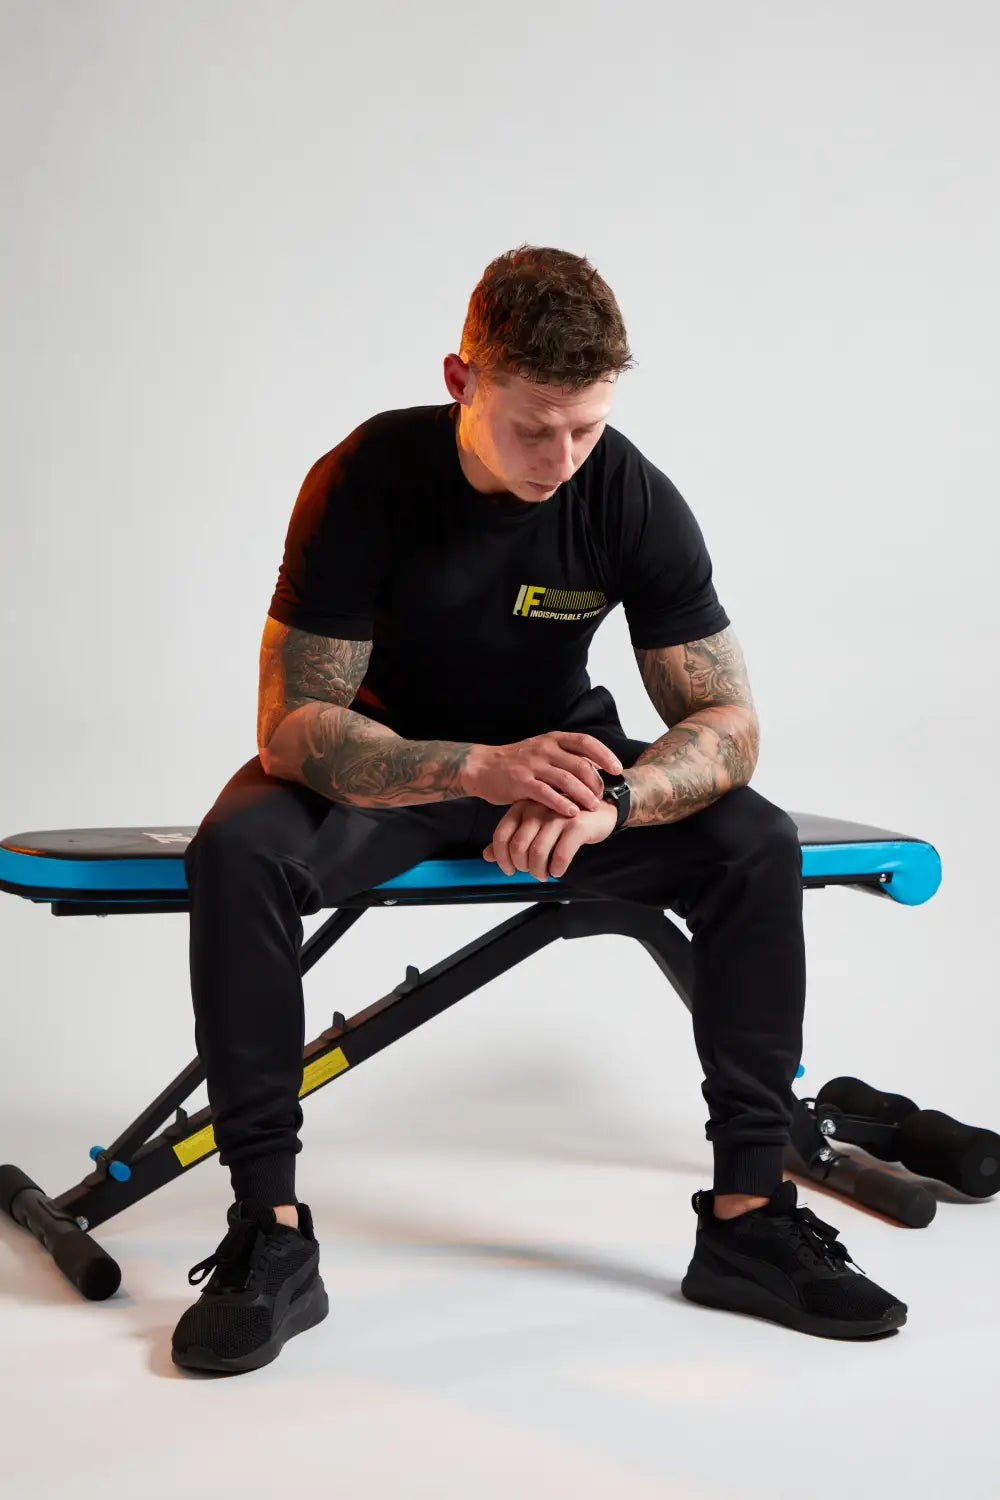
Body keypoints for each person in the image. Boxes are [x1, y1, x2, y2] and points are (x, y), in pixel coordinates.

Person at [171, 244, 906, 1374]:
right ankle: (267, 1231)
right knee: (240, 849)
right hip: (392, 767)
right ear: (463, 378)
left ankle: (749, 1217)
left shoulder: (625, 492)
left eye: (587, 427)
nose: (562, 457)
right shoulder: (365, 476)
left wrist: (615, 796)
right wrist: (473, 768)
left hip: (566, 774)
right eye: (535, 426)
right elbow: (293, 725)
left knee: (751, 840)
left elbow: (728, 723)